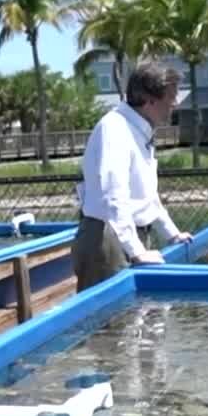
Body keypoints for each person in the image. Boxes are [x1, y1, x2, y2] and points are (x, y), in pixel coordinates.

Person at [73, 62, 193, 291]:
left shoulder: (139, 129)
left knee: (137, 318)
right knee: (111, 323)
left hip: (128, 236)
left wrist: (172, 234)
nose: (175, 104)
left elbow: (146, 195)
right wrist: (137, 251)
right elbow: (113, 196)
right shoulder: (114, 129)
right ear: (150, 100)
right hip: (107, 239)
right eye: (171, 97)